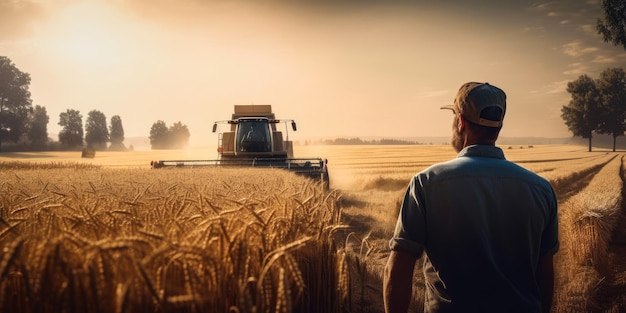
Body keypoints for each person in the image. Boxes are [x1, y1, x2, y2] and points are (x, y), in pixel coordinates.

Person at [383, 82, 559, 313]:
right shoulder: (541, 189)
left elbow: (398, 269)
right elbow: (544, 273)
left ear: (461, 122)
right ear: (499, 126)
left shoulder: (426, 183)